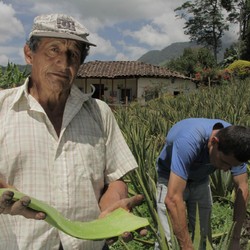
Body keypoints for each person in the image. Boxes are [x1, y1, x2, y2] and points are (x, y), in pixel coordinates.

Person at [0, 14, 145, 250]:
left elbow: (115, 180)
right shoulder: (2, 108)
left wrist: (112, 206)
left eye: (73, 55)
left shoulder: (99, 112)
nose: (63, 63)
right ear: (29, 54)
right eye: (53, 50)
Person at [155, 118, 250, 250]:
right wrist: (187, 247)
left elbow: (242, 189)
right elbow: (172, 199)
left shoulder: (235, 142)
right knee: (169, 240)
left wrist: (235, 240)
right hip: (169, 178)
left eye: (232, 166)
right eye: (224, 162)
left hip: (201, 179)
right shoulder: (188, 140)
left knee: (203, 236)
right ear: (214, 142)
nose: (225, 170)